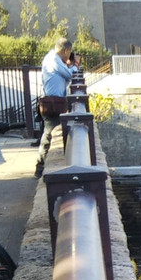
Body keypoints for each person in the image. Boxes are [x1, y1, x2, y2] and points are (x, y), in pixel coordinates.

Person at [35, 37, 80, 178]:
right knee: (49, 134)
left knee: (50, 134)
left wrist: (69, 65)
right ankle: (40, 167)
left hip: (53, 102)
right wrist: (75, 64)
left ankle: (42, 166)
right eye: (69, 52)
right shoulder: (53, 59)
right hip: (52, 103)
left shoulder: (53, 59)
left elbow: (65, 78)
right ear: (66, 50)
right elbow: (69, 74)